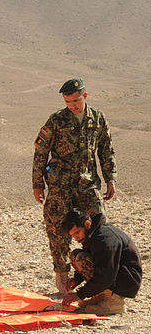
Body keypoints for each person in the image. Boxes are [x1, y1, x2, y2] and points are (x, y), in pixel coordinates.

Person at [32, 77, 117, 294]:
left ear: (85, 96)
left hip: (87, 183)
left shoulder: (97, 118)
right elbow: (41, 151)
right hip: (61, 185)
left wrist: (111, 178)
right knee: (57, 230)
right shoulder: (57, 120)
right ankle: (62, 275)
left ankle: (101, 275)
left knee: (99, 225)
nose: (72, 105)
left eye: (76, 100)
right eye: (68, 101)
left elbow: (106, 150)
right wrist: (37, 183)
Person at [58, 208, 142, 315]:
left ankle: (114, 302)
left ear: (87, 224)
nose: (76, 238)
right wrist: (77, 279)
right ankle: (103, 295)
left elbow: (105, 275)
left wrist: (79, 295)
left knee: (81, 258)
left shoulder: (105, 239)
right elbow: (96, 261)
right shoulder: (93, 234)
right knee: (75, 255)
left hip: (126, 281)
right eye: (73, 235)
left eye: (77, 233)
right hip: (114, 275)